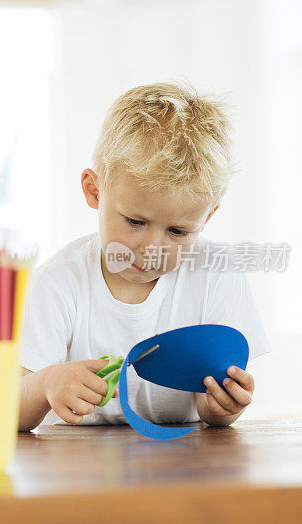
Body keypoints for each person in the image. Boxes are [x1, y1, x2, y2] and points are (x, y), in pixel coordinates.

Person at [18, 83, 271, 431]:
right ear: (94, 191)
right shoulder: (58, 282)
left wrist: (222, 408)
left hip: (186, 466)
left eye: (178, 232)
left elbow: (214, 407)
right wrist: (44, 385)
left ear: (206, 218)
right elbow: (6, 411)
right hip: (80, 470)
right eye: (135, 222)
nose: (153, 249)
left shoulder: (217, 274)